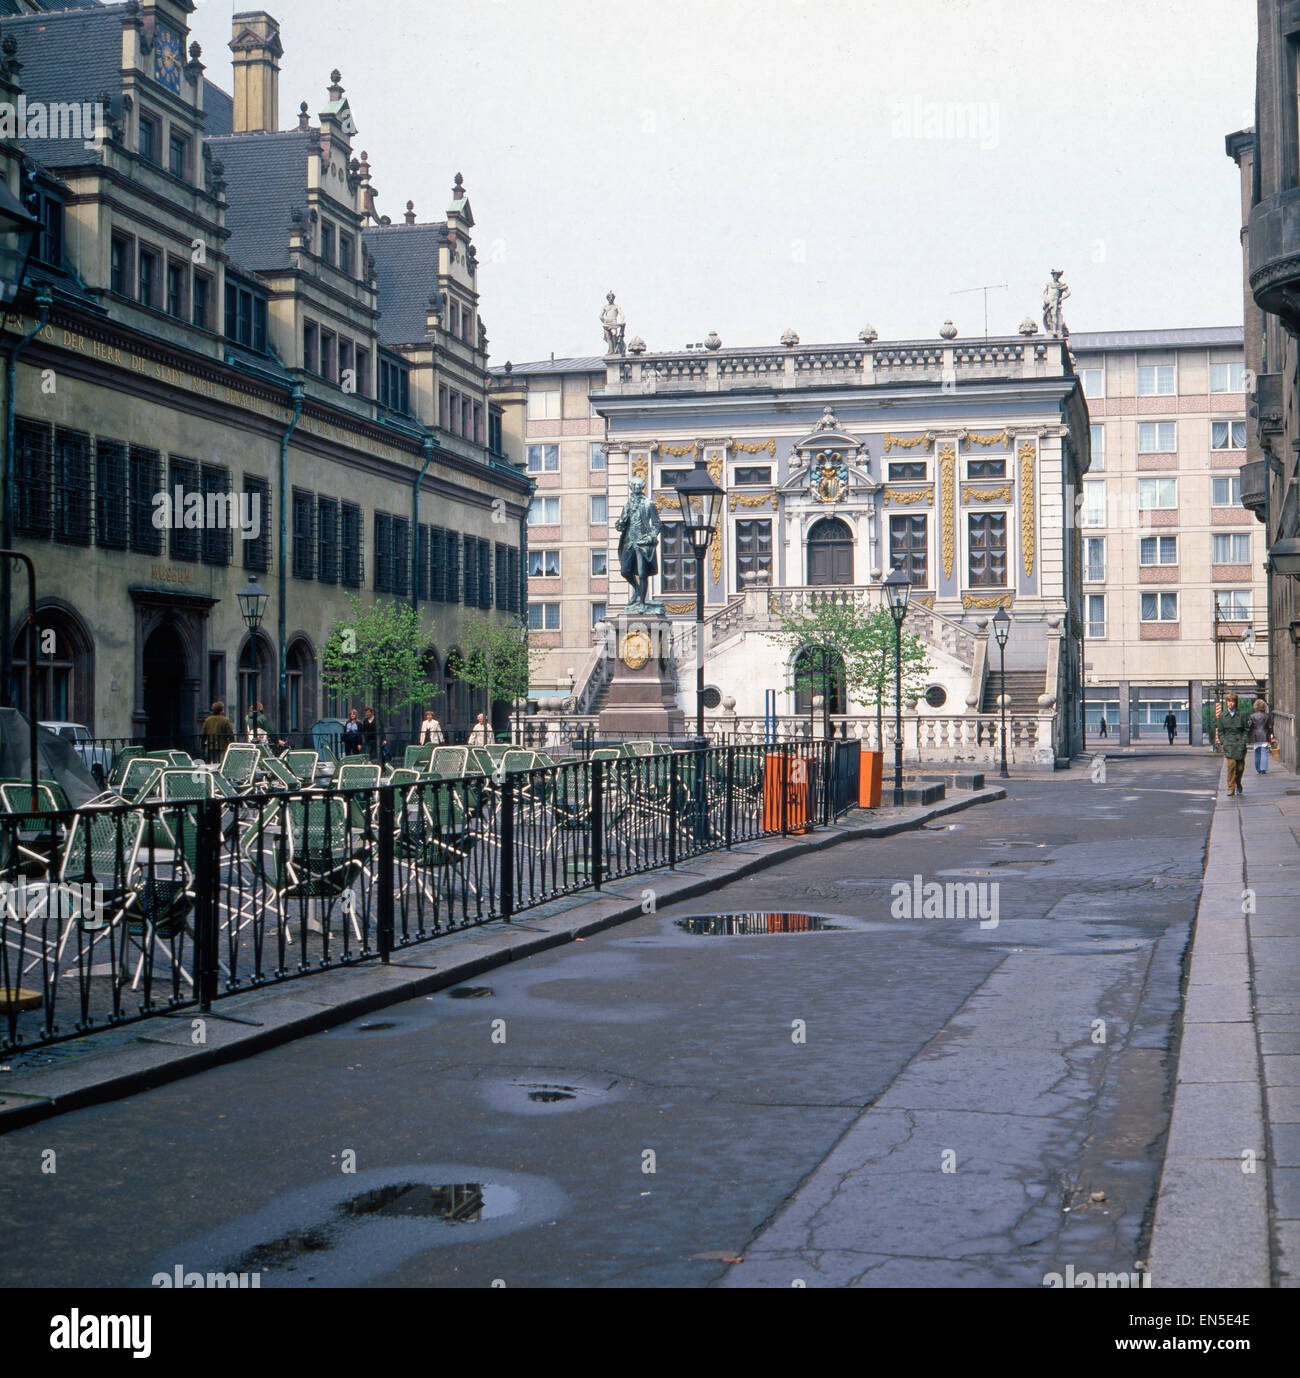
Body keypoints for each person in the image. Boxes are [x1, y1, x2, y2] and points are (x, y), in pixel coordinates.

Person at [1215, 692, 1251, 797]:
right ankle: (1231, 787)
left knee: (1240, 767)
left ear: (1236, 702)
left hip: (1240, 744)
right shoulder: (1222, 716)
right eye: (1228, 701)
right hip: (1229, 744)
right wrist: (1223, 741)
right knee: (1231, 766)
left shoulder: (1243, 714)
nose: (1230, 704)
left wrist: (1243, 740)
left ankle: (1238, 782)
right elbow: (1220, 731)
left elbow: (1247, 729)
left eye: (1232, 701)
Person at [1248, 697, 1276, 775]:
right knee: (1264, 752)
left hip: (1256, 736)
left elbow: (1249, 726)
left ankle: (1258, 769)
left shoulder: (1252, 716)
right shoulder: (1267, 716)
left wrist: (1249, 735)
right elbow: (1270, 726)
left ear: (1255, 706)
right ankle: (1263, 769)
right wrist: (1272, 735)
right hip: (1265, 735)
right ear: (1264, 706)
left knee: (1257, 753)